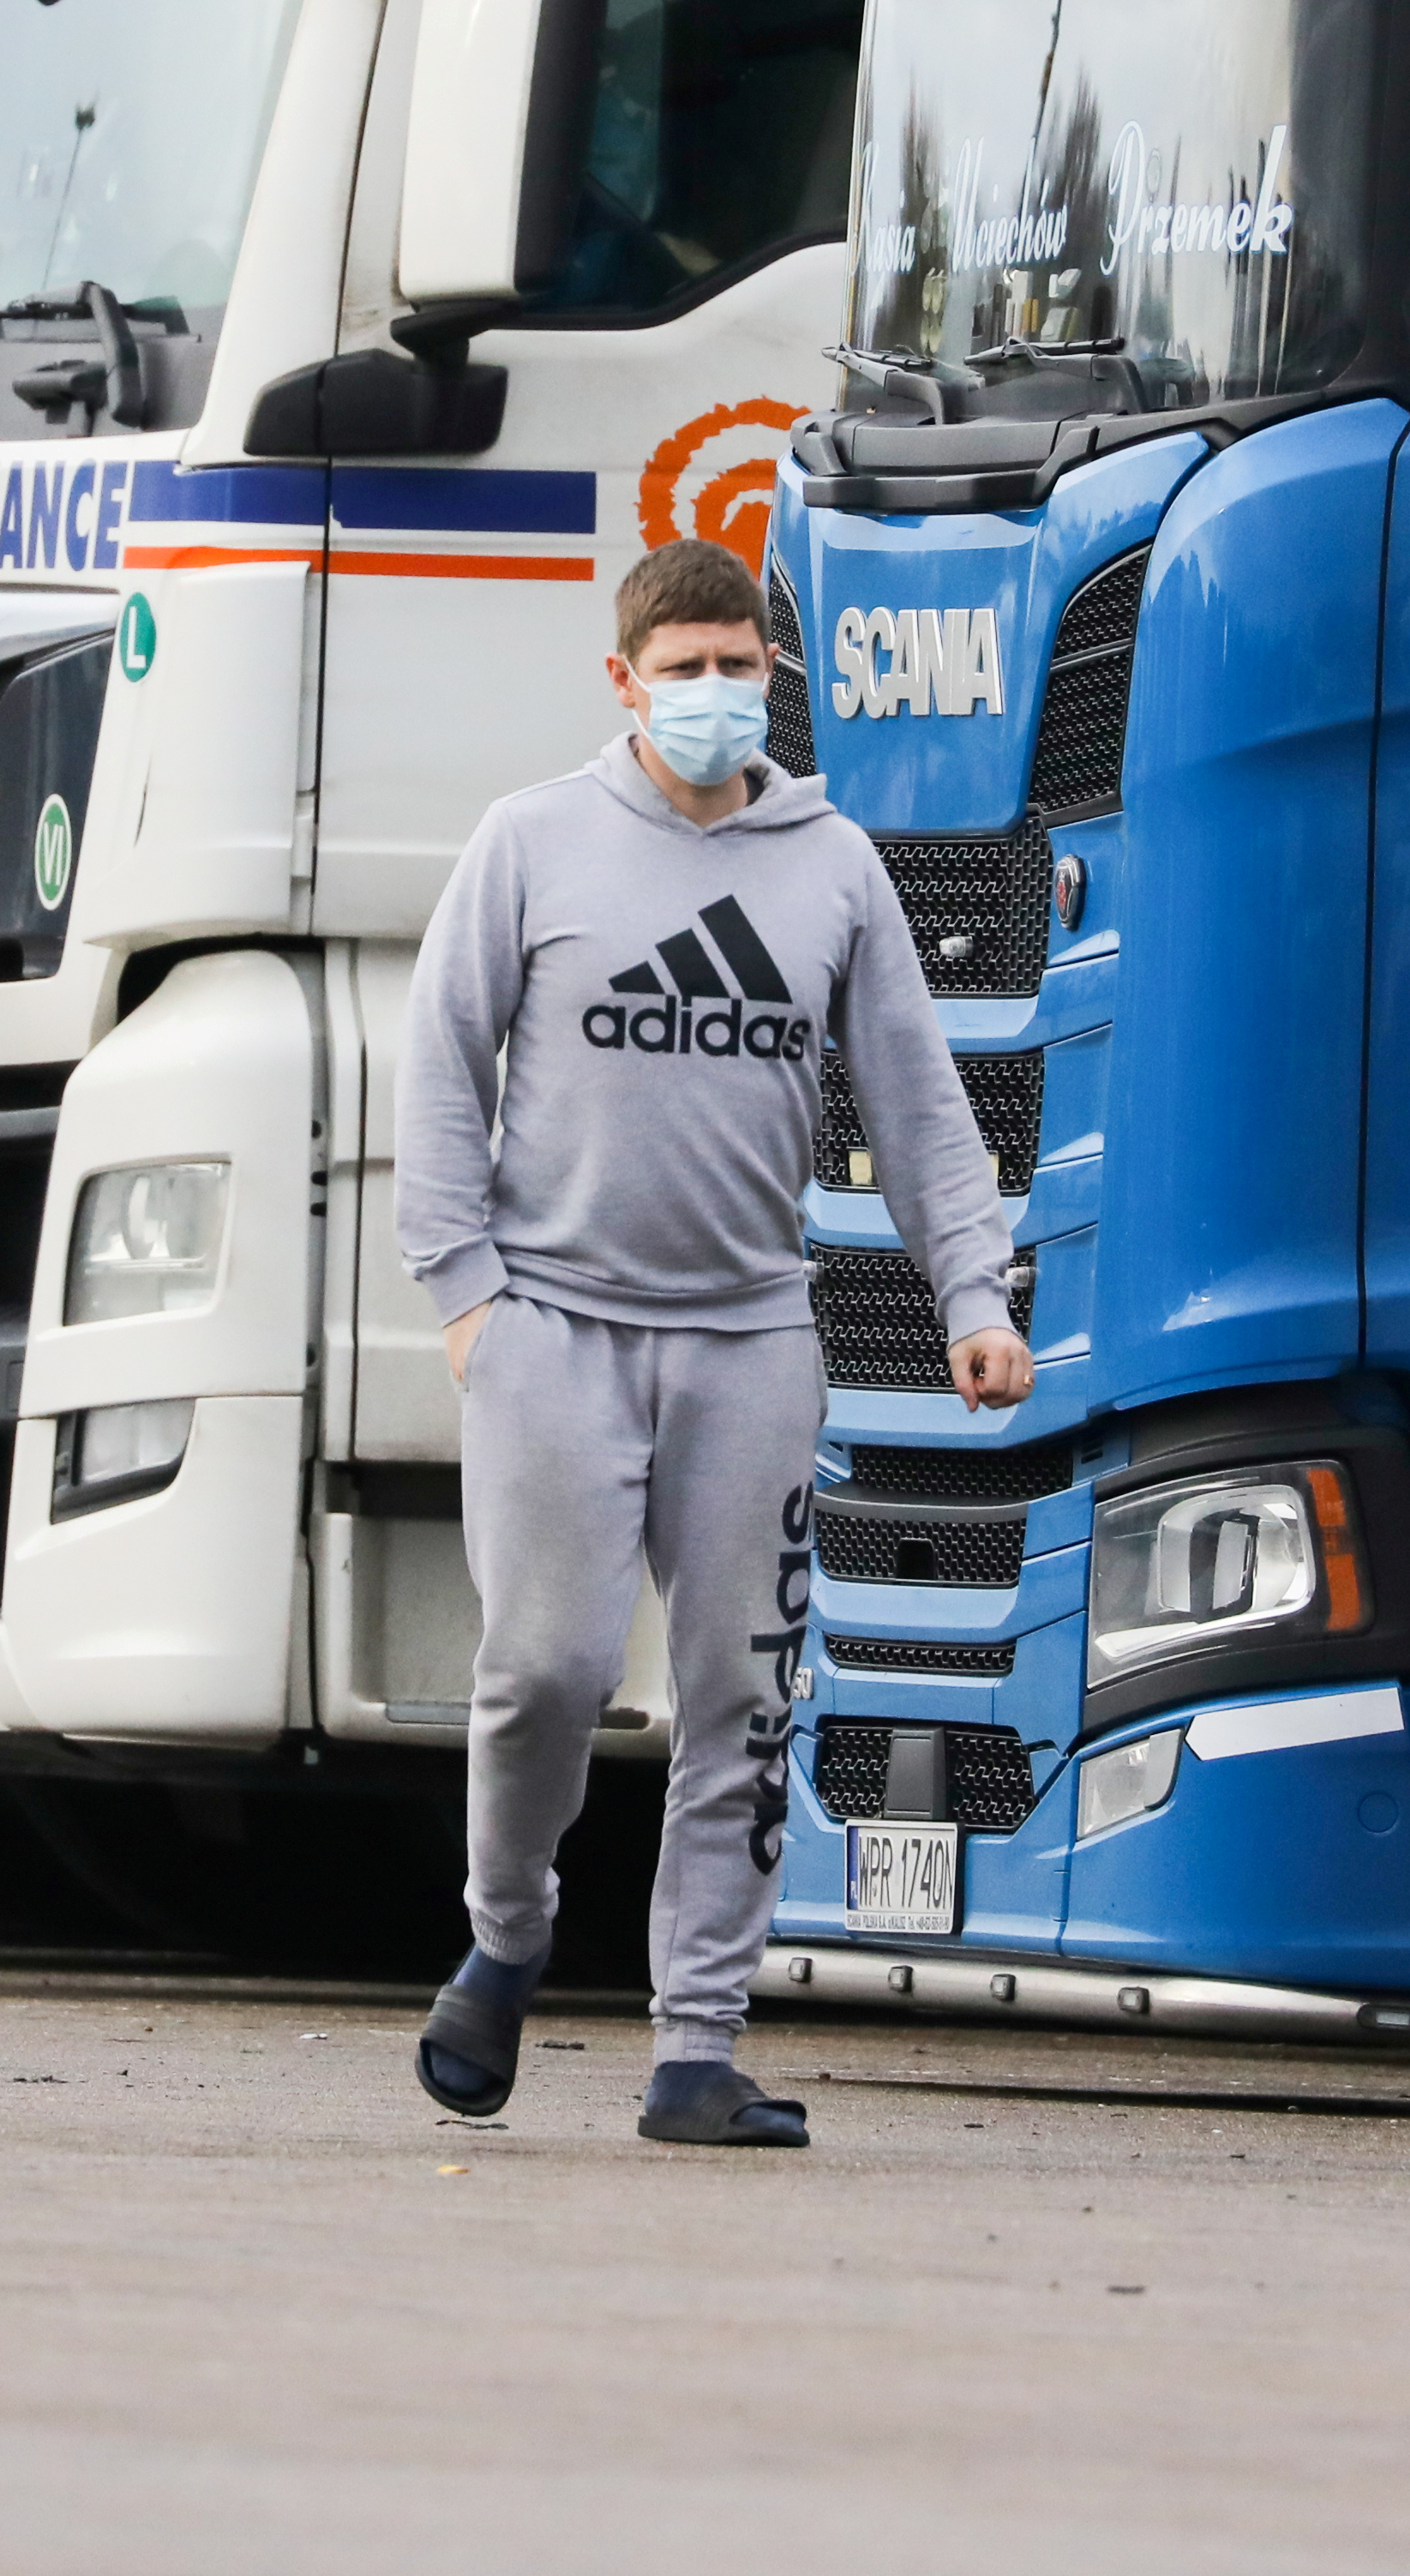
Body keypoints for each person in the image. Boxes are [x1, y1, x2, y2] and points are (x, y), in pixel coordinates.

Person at [391, 532, 1029, 2148]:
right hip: (552, 1332)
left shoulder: (833, 869)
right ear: (624, 683)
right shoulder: (531, 844)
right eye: (681, 671)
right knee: (544, 1671)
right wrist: (465, 1292)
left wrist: (972, 1292)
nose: (712, 695)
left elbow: (917, 1099)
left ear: (773, 677)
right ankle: (508, 1936)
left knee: (742, 1694)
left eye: (738, 667)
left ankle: (699, 2046)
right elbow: (442, 1063)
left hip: (751, 1343)